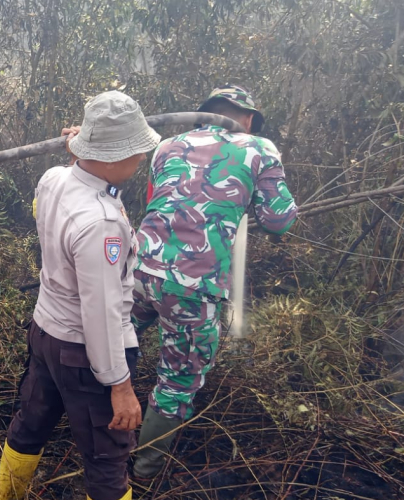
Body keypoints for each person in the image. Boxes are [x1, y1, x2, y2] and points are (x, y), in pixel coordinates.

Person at [0, 91, 161, 500]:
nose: (140, 160)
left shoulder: (53, 179)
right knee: (107, 455)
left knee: (31, 423)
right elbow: (100, 314)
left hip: (46, 332)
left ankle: (3, 496)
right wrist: (119, 385)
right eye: (135, 151)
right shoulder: (101, 224)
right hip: (84, 353)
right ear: (108, 157)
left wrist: (77, 160)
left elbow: (51, 207)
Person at [130, 84, 298, 479]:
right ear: (250, 119)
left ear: (205, 112)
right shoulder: (260, 147)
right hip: (192, 288)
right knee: (176, 382)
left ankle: (94, 434)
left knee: (118, 346)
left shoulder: (167, 144)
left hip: (137, 270)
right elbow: (279, 221)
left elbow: (162, 198)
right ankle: (143, 472)